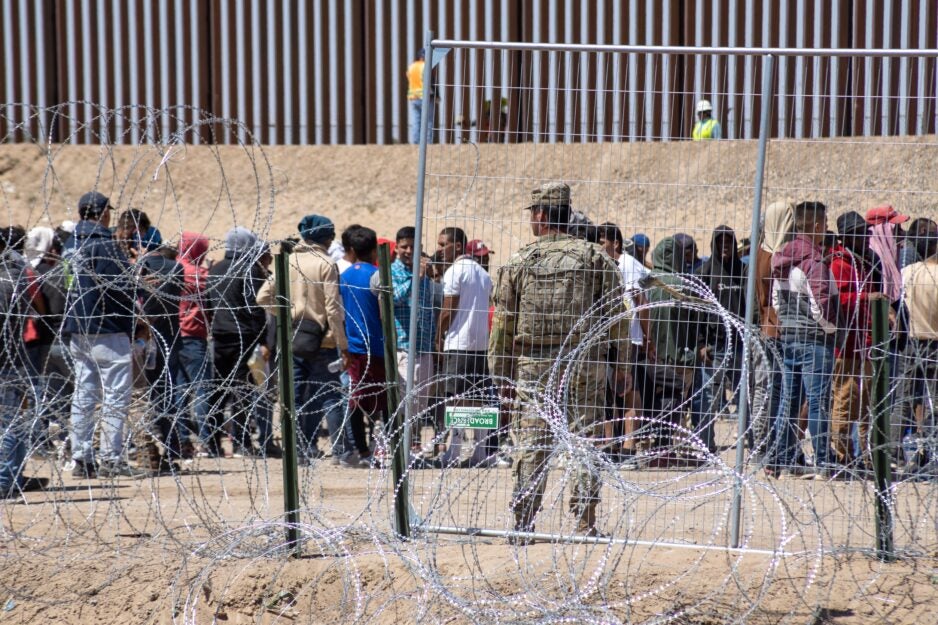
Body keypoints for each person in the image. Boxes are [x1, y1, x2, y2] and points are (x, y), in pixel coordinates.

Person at [489, 182, 631, 542]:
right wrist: (623, 366)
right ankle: (585, 521)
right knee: (584, 441)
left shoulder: (520, 261)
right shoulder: (594, 258)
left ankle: (523, 523)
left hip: (534, 364)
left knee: (532, 444)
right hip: (583, 362)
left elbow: (503, 325)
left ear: (539, 214)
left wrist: (500, 374)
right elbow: (617, 317)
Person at [63, 191, 146, 478]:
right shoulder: (104, 246)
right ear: (103, 214)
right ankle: (111, 458)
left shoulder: (70, 244)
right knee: (115, 396)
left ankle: (81, 457)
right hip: (108, 328)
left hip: (78, 326)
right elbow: (124, 287)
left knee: (84, 394)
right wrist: (141, 282)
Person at [769, 201, 841, 479]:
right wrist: (830, 328)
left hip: (790, 338)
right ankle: (823, 462)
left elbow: (776, 301)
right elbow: (820, 307)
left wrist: (788, 323)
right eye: (824, 223)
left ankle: (782, 459)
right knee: (817, 403)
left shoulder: (784, 260)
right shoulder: (815, 263)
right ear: (817, 226)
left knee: (789, 401)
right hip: (814, 340)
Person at [205, 227, 270, 458]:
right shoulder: (250, 270)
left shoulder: (216, 269)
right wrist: (263, 340)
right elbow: (256, 308)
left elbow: (206, 303)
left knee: (219, 392)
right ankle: (242, 443)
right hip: (244, 337)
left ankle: (213, 443)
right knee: (242, 392)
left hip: (220, 336)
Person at [434, 226, 495, 467]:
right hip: (481, 344)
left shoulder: (455, 272)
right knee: (477, 398)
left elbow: (449, 308)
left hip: (458, 342)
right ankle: (479, 451)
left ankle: (455, 450)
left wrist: (439, 335)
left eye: (442, 245)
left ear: (457, 246)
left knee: (455, 398)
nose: (439, 250)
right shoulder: (483, 273)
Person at [371, 226, 437, 446]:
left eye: (413, 247)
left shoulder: (423, 274)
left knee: (420, 403)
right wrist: (416, 279)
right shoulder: (390, 273)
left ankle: (408, 444)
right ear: (397, 248)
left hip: (424, 346)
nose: (409, 251)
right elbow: (393, 300)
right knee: (404, 402)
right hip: (403, 346)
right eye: (404, 247)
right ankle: (392, 443)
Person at [828, 212, 881, 467]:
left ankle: (866, 454)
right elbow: (840, 301)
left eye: (866, 233)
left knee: (866, 402)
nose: (866, 238)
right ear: (848, 236)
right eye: (860, 233)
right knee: (845, 399)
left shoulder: (863, 262)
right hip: (847, 345)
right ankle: (842, 454)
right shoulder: (839, 264)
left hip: (867, 342)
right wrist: (866, 300)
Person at [0, 227, 49, 499]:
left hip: (11, 356)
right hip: (12, 358)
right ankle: (7, 479)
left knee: (12, 420)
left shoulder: (10, 274)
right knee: (11, 421)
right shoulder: (16, 275)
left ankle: (11, 477)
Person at [694, 226, 750, 455]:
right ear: (714, 245)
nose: (724, 246)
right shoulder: (706, 272)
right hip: (714, 345)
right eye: (720, 242)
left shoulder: (744, 271)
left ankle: (751, 441)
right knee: (708, 396)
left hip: (739, 343)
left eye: (729, 242)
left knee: (746, 394)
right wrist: (700, 344)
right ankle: (705, 444)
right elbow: (696, 313)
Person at [337, 226, 387, 467]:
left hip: (355, 346)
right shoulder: (377, 275)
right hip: (377, 346)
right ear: (375, 249)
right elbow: (382, 313)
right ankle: (378, 450)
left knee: (357, 399)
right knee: (384, 398)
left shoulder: (344, 277)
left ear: (353, 250)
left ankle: (363, 450)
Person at [751, 200, 795, 464]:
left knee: (764, 390)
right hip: (776, 331)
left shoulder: (759, 252)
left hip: (765, 328)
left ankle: (763, 447)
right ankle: (765, 448)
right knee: (771, 393)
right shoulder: (775, 257)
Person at [137, 243, 186, 473]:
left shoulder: (139, 268)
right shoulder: (175, 268)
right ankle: (170, 449)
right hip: (168, 336)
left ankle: (145, 449)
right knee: (166, 392)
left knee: (140, 395)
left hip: (141, 337)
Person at [893, 229, 938, 472]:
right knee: (934, 400)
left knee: (906, 397)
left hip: (913, 339)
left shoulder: (908, 271)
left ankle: (892, 448)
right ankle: (930, 449)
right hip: (934, 340)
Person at [174, 232, 216, 456]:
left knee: (180, 390)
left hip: (174, 335)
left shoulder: (173, 270)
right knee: (201, 389)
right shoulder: (200, 274)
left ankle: (182, 440)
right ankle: (206, 440)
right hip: (194, 336)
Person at [407, 48, 431, 144]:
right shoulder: (425, 66)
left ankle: (416, 141)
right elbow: (429, 81)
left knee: (416, 120)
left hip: (413, 96)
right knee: (428, 120)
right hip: (424, 96)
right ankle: (428, 142)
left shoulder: (411, 66)